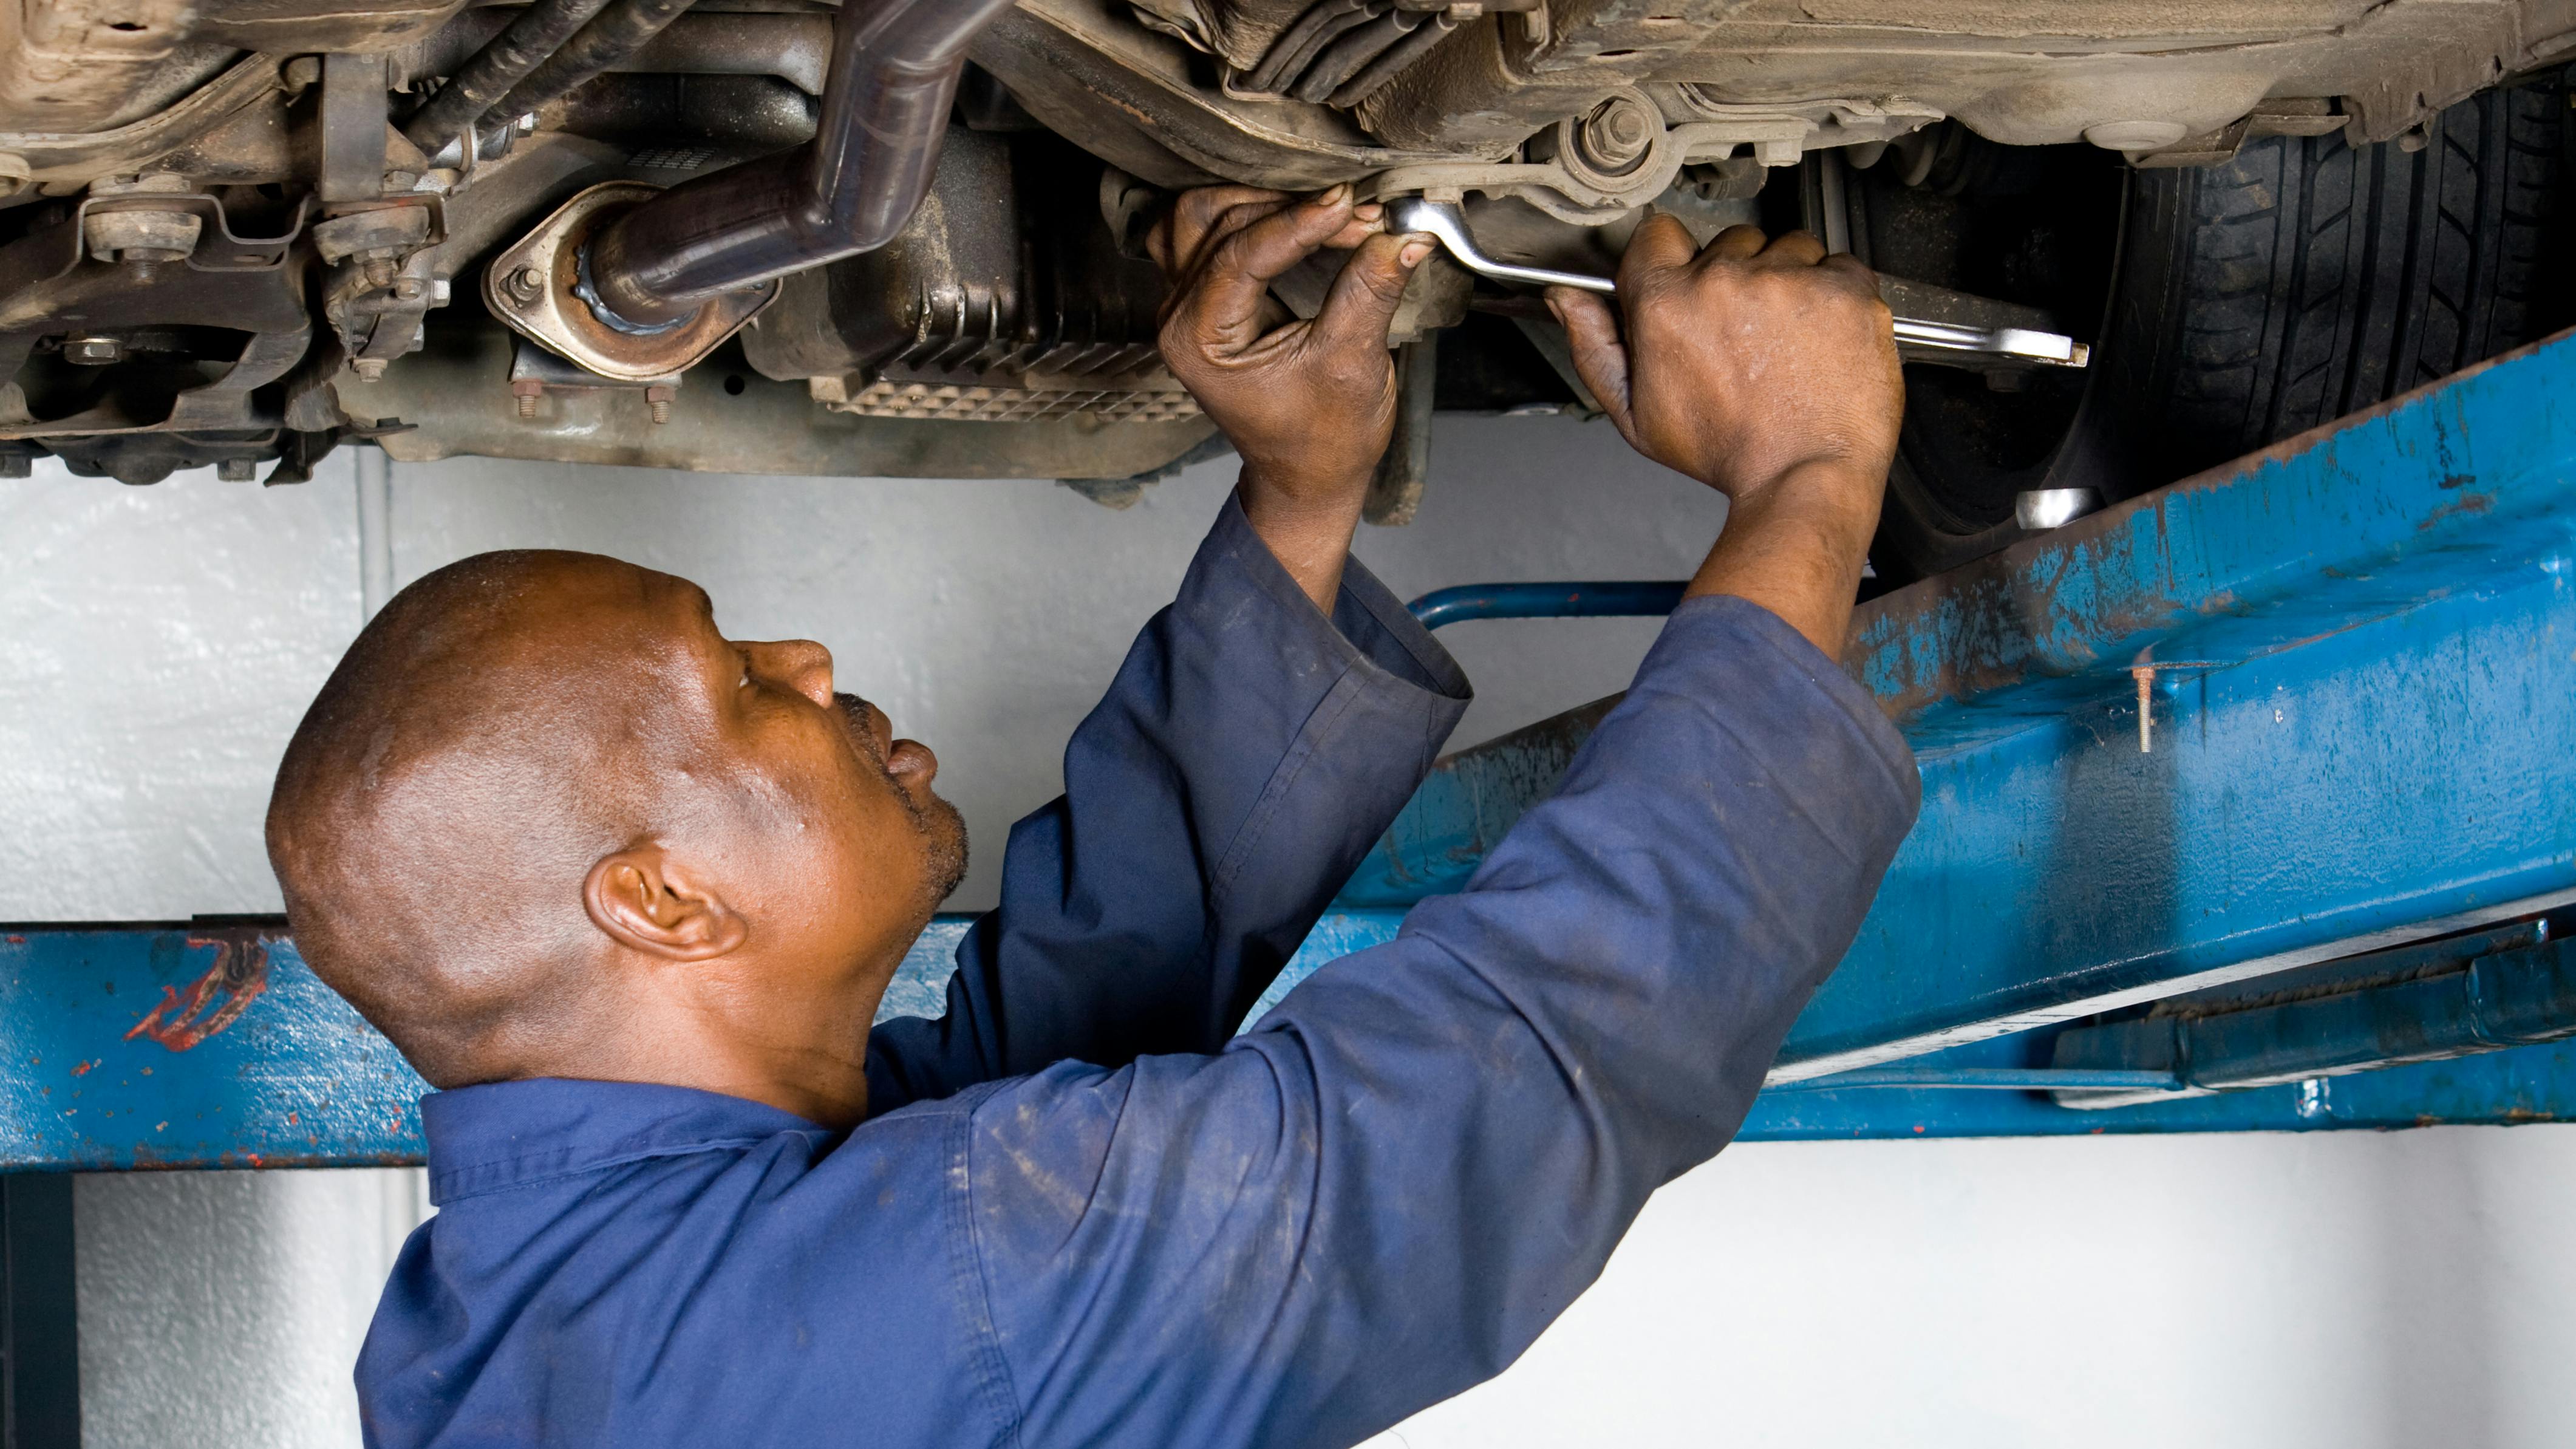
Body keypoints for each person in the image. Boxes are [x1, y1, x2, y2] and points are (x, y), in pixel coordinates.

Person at [265, 183, 1918, 1449]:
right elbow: (1492, 1102)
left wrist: (1301, 493)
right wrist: (1810, 475)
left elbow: (1068, 1025)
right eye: (741, 681)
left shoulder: (551, 1299)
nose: (808, 659)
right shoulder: (867, 1303)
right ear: (664, 902)